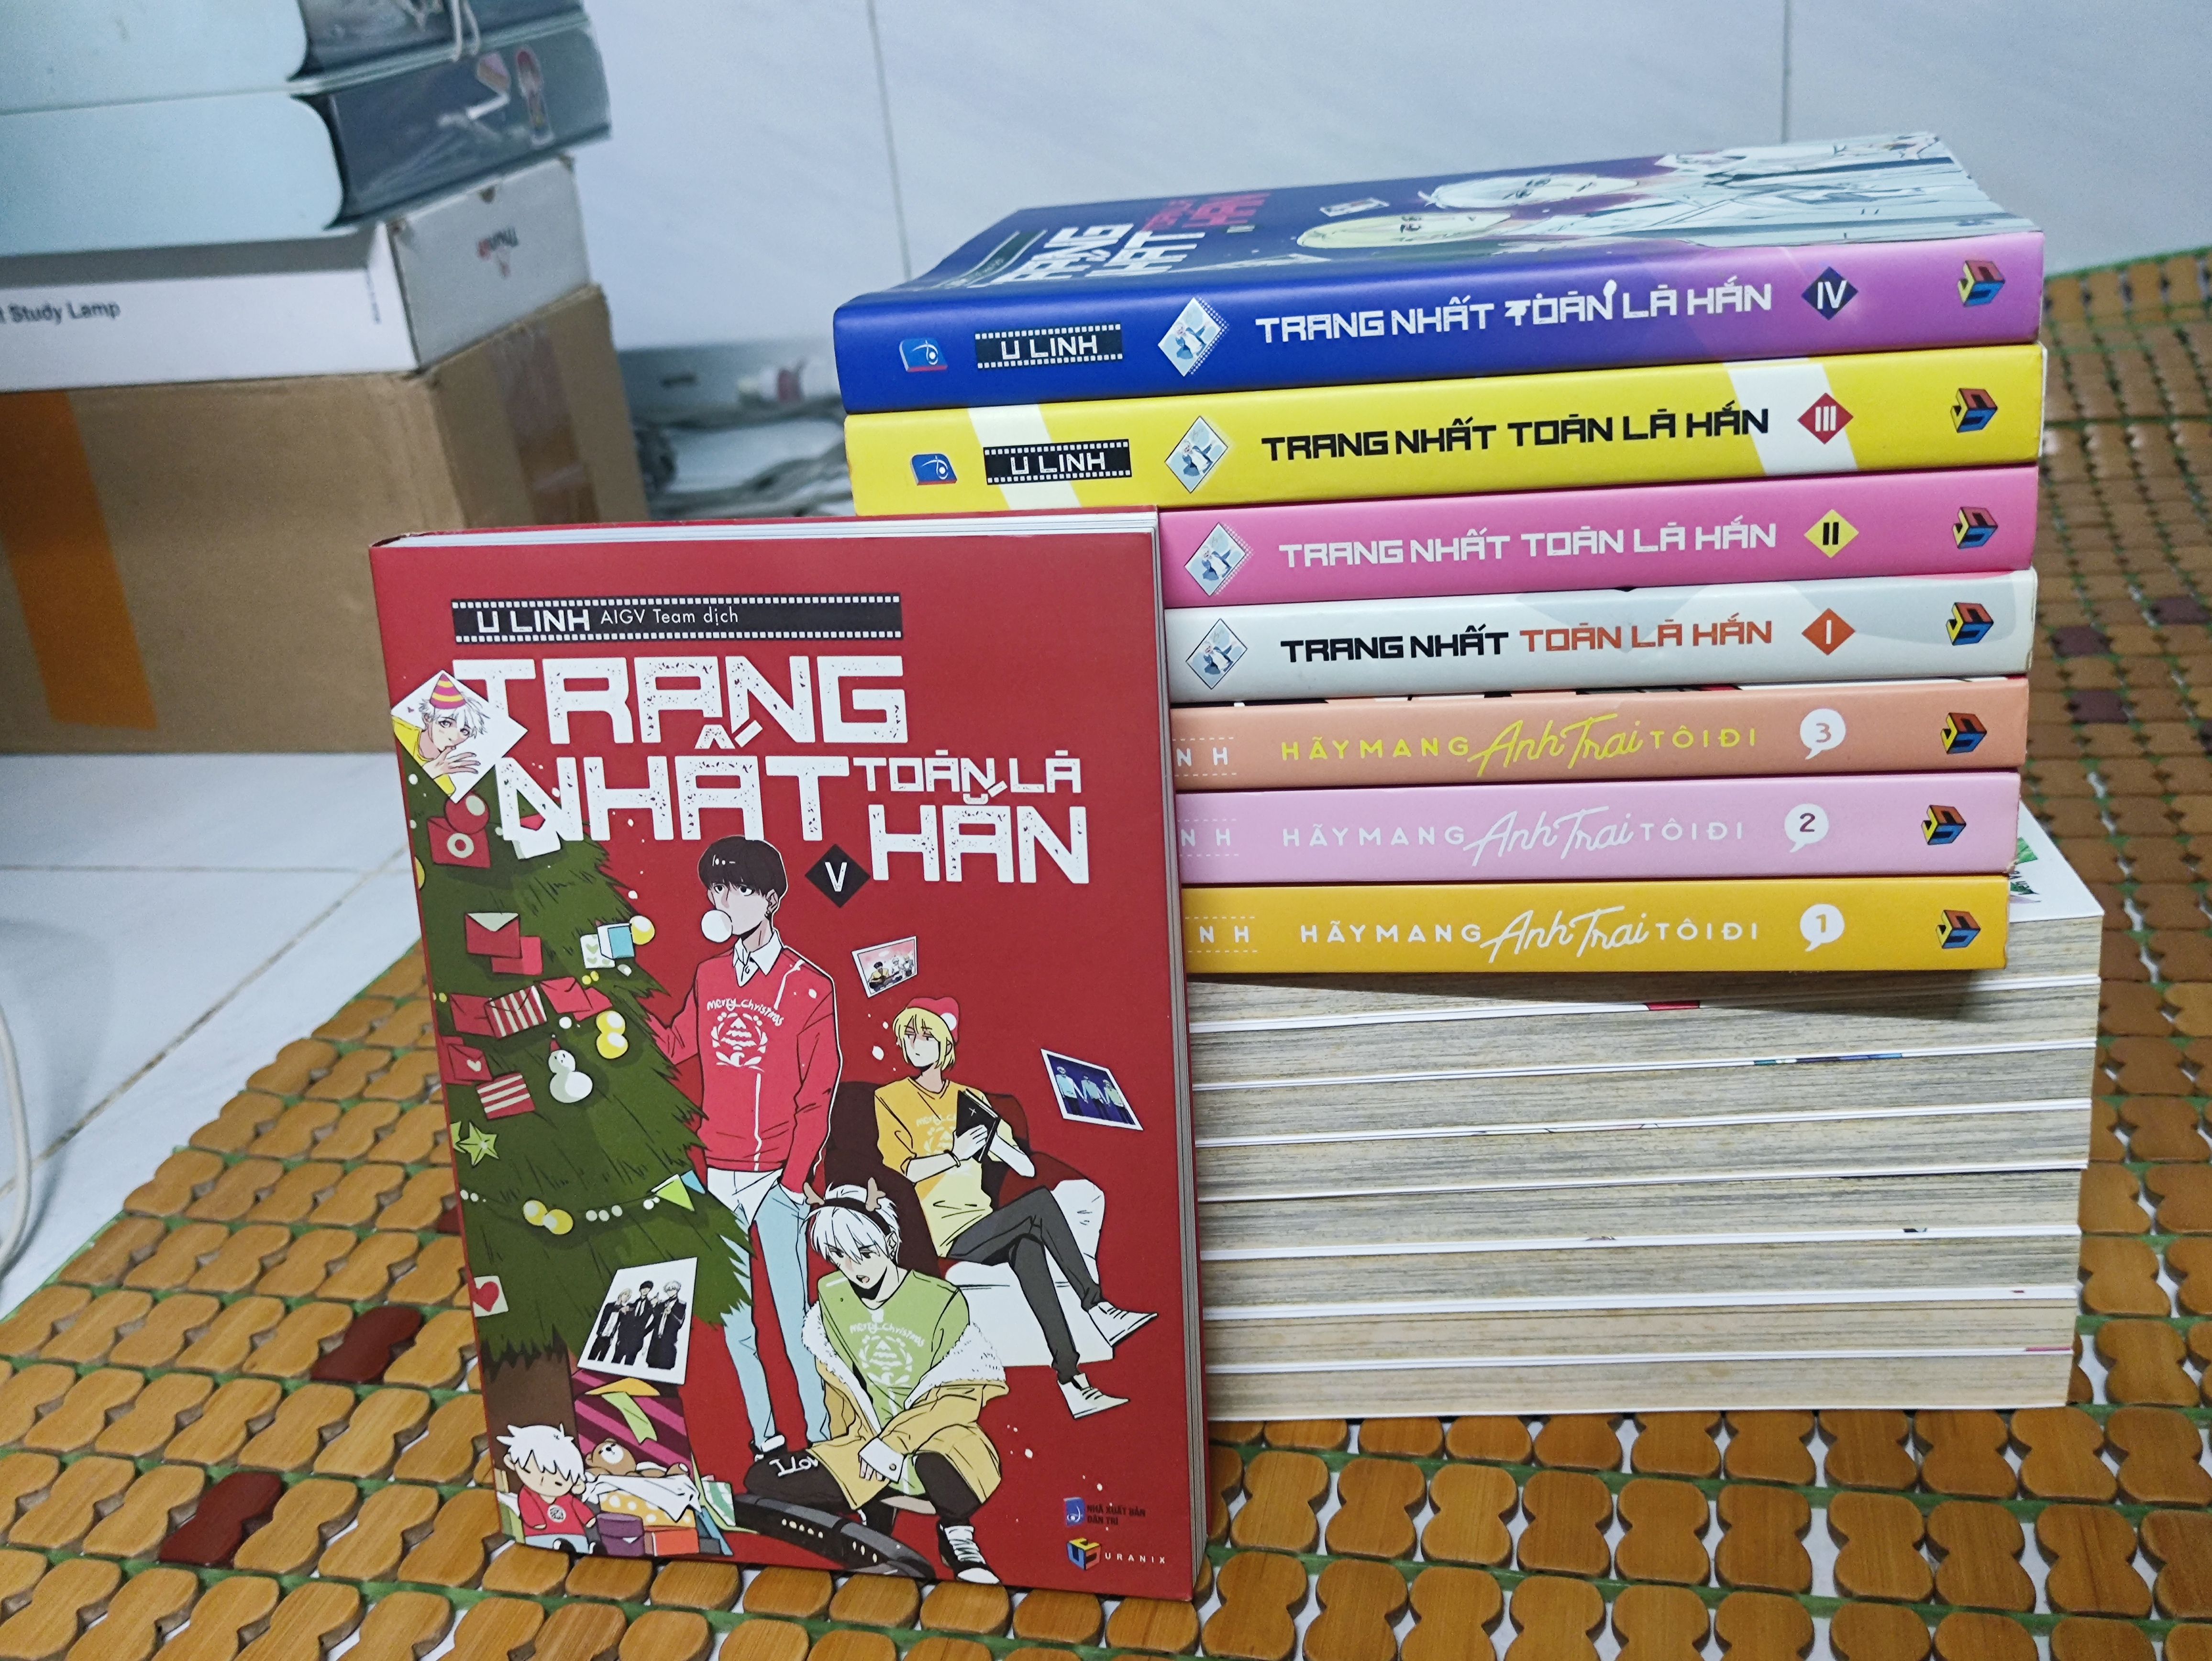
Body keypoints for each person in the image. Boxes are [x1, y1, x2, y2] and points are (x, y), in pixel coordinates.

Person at [648, 835, 838, 1451]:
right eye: (717, 889)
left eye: (739, 889)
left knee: (795, 1322)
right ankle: (767, 1443)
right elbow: (675, 1046)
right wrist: (615, 1002)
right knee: (738, 1327)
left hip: (776, 1179)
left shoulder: (809, 986)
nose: (725, 901)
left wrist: (793, 1182)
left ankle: (822, 1438)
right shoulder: (709, 975)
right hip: (718, 1176)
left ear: (771, 898)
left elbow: (818, 1093)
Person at [875, 997, 1151, 1419]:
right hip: (946, 1234)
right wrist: (954, 1155)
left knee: (1028, 1248)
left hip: (986, 1224)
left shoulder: (970, 1098)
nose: (915, 1043)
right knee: (1038, 1206)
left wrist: (995, 1142)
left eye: (926, 1034)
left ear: (946, 1043)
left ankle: (1072, 1381)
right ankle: (1098, 1307)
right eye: (909, 1034)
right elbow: (906, 1169)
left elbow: (1025, 1167)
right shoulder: (892, 1098)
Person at [747, 1184, 1006, 1583]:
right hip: (865, 1443)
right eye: (839, 1256)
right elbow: (838, 1381)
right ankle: (877, 1509)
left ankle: (956, 1531)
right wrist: (841, 1448)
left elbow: (960, 1395)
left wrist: (893, 1445)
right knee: (763, 1479)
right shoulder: (833, 1296)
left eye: (865, 1252)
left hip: (937, 1440)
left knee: (940, 1471)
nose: (854, 1268)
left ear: (890, 1241)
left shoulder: (941, 1300)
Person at [497, 1424, 597, 1550]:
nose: (543, 1481)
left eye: (558, 1483)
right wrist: (536, 1522)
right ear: (512, 1462)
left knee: (581, 1547)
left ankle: (590, 1548)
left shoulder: (567, 1498)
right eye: (529, 1471)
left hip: (576, 1534)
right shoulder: (528, 1494)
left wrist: (588, 1519)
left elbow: (579, 1508)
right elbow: (529, 1509)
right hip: (542, 1536)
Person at [613, 1282, 658, 1369]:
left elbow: (655, 1321)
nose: (645, 1290)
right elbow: (623, 1323)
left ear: (650, 1290)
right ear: (640, 1290)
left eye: (648, 1289)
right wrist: (620, 1338)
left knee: (629, 1366)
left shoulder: (651, 1305)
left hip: (636, 1342)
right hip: (624, 1340)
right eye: (643, 1288)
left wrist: (644, 1333)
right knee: (615, 1363)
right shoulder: (631, 1304)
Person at [646, 1285, 685, 1373]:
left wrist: (671, 1314)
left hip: (668, 1342)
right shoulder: (662, 1304)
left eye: (673, 1289)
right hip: (656, 1341)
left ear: (677, 1290)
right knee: (651, 1367)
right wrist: (654, 1305)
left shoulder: (682, 1305)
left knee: (665, 1367)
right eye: (668, 1290)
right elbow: (655, 1320)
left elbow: (680, 1323)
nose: (671, 1291)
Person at [586, 1288, 630, 1364]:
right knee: (592, 1356)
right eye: (626, 1295)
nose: (626, 1298)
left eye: (628, 1297)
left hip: (609, 1338)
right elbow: (605, 1316)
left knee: (601, 1359)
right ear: (622, 1295)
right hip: (602, 1335)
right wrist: (619, 1310)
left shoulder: (623, 1310)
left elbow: (620, 1324)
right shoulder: (610, 1306)